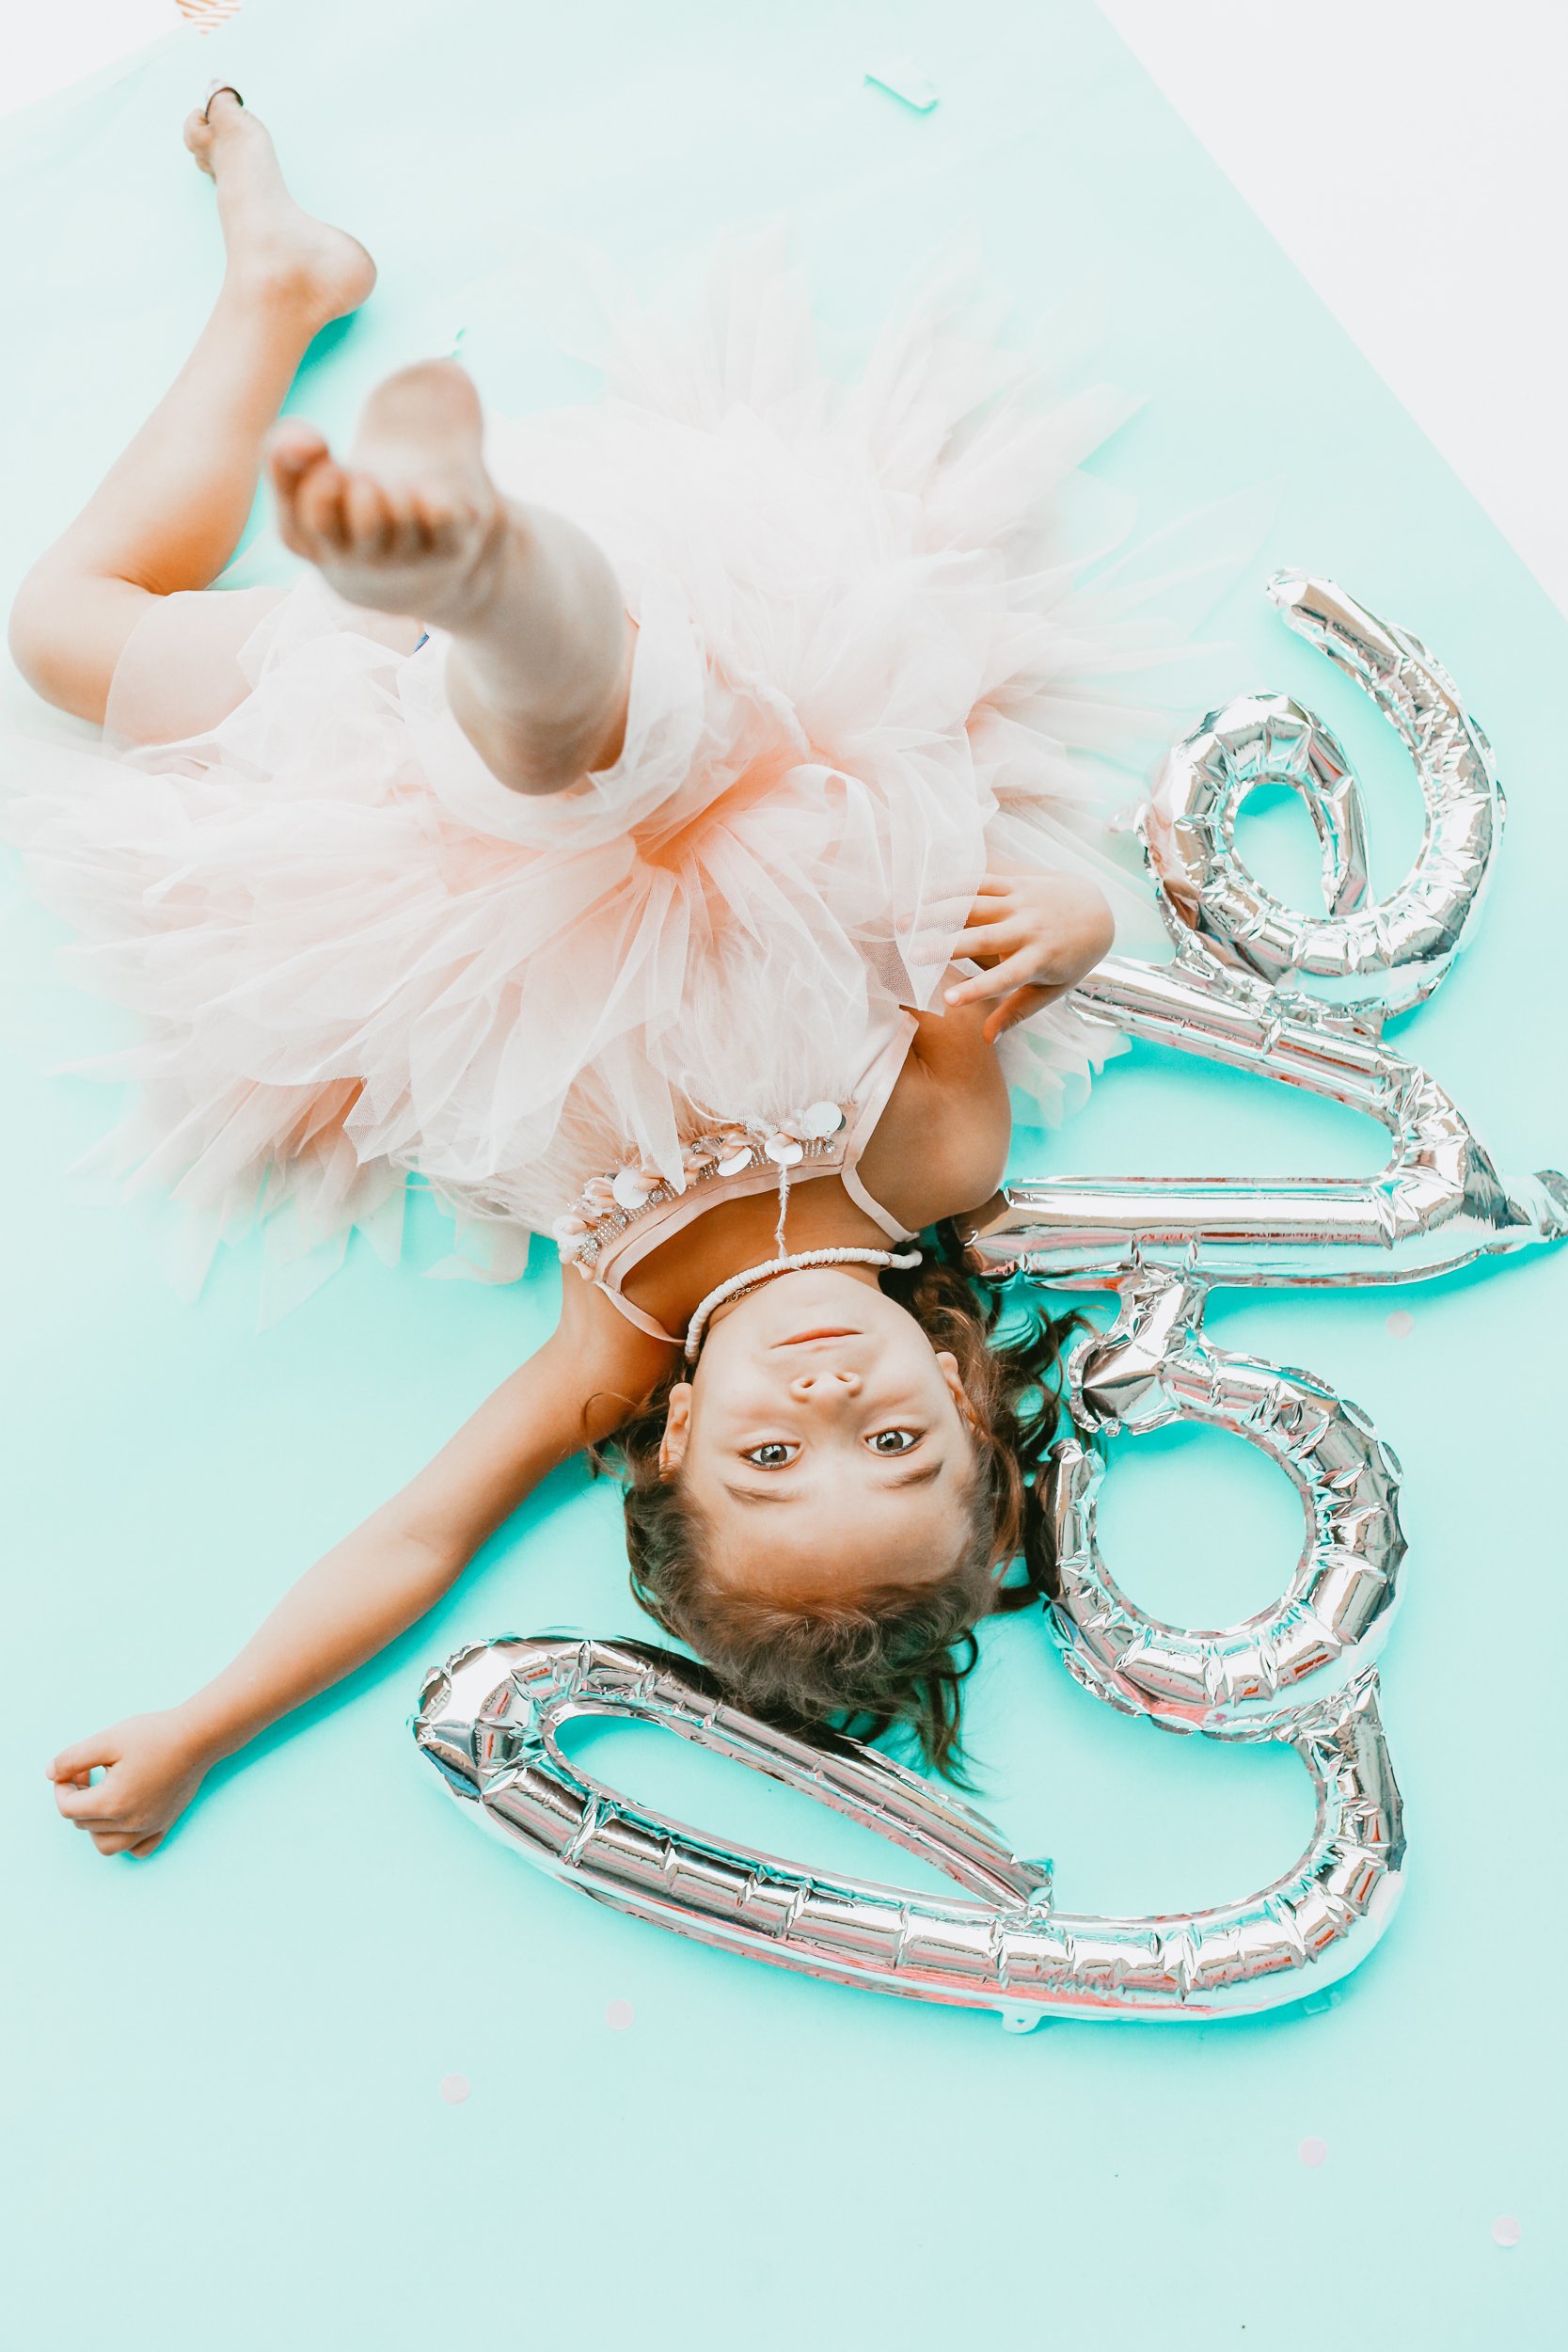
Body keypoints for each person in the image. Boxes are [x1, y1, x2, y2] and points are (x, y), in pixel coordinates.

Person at [4, 87, 1208, 1855]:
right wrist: (1076, 921)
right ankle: (492, 581)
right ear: (965, 1403)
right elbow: (960, 895)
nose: (827, 1407)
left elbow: (415, 1543)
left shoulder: (616, 1334)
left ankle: (275, 292)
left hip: (387, 833)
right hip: (709, 743)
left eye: (769, 1465)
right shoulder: (931, 1164)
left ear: (669, 1451)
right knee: (590, 764)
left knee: (60, 633)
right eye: (901, 1452)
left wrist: (201, 1725)